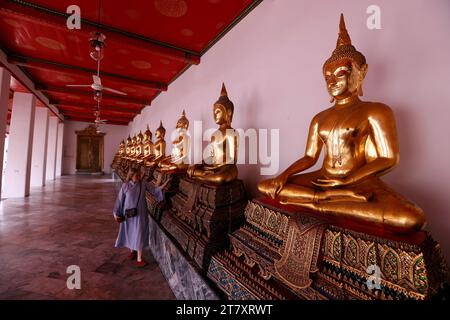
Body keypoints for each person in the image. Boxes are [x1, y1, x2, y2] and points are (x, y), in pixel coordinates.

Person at [113, 167, 170, 267]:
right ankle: (132, 251)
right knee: (130, 232)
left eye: (139, 175)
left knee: (139, 233)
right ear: (131, 176)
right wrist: (116, 213)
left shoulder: (143, 183)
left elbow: (154, 190)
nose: (139, 177)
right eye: (136, 176)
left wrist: (163, 184)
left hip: (140, 214)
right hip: (128, 214)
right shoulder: (125, 186)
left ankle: (139, 259)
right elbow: (119, 200)